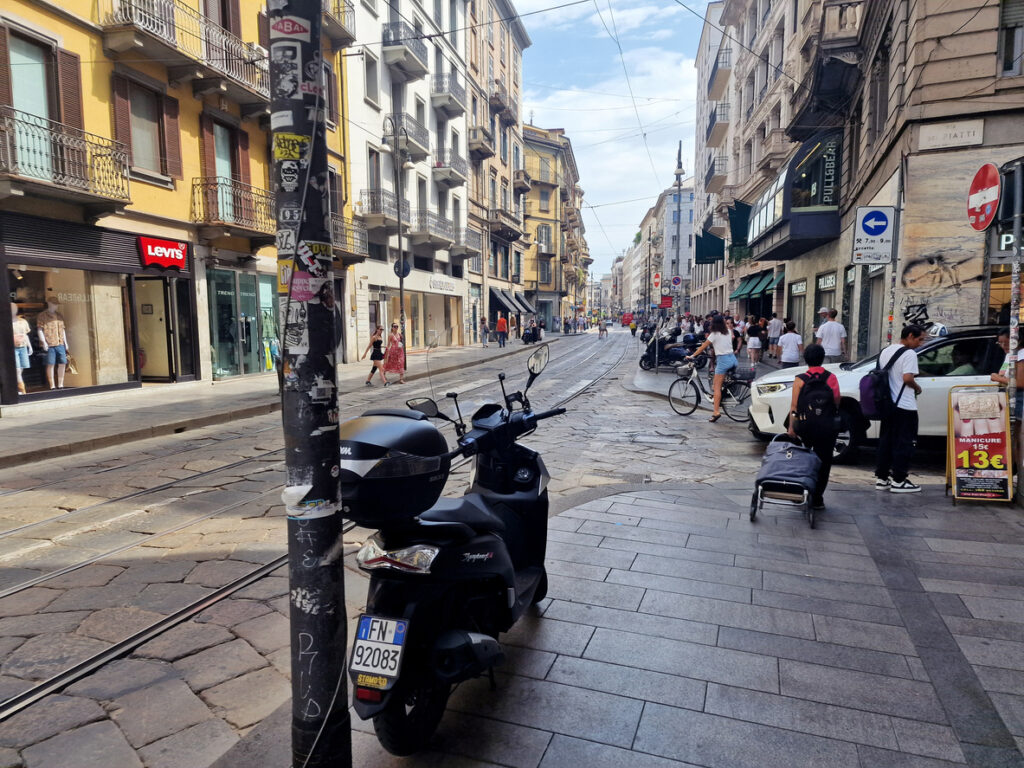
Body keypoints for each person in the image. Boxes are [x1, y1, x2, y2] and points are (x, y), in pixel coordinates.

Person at [786, 343, 840, 510]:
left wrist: (792, 427)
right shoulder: (831, 378)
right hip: (826, 427)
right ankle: (817, 498)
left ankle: (799, 493)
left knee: (802, 459)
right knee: (824, 462)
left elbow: (794, 406)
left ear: (806, 359)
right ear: (822, 359)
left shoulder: (800, 379)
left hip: (805, 425)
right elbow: (837, 401)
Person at [875, 324, 927, 493]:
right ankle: (899, 480)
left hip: (887, 404)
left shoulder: (886, 350)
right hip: (904, 405)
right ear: (910, 336)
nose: (921, 343)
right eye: (920, 339)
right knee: (904, 443)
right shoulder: (909, 353)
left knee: (886, 442)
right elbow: (907, 378)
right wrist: (917, 387)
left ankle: (882, 479)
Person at [686, 315, 736, 423]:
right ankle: (722, 397)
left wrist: (692, 356)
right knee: (716, 383)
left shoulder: (714, 334)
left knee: (716, 387)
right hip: (732, 359)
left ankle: (716, 412)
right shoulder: (728, 330)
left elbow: (703, 347)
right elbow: (728, 341)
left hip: (723, 361)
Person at [991, 327, 1024, 424]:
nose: (1003, 346)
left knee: (1015, 428)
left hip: (1018, 397)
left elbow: (1020, 383)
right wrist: (999, 377)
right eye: (1000, 343)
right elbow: (1002, 372)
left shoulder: (1021, 355)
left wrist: (997, 378)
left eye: (1006, 343)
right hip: (1007, 394)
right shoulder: (1009, 355)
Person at [36, 300, 69, 390]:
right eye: (55, 304)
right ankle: (52, 385)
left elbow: (63, 330)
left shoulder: (59, 316)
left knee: (62, 363)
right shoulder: (42, 316)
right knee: (51, 364)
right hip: (49, 343)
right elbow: (39, 329)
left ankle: (60, 384)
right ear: (50, 304)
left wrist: (66, 342)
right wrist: (44, 342)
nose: (56, 306)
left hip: (60, 343)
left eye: (57, 304)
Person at [11, 303, 32, 395]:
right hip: (13, 348)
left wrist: (29, 346)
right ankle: (22, 390)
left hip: (23, 347)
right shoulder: (6, 322)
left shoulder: (23, 321)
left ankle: (16, 388)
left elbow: (26, 335)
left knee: (21, 369)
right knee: (17, 370)